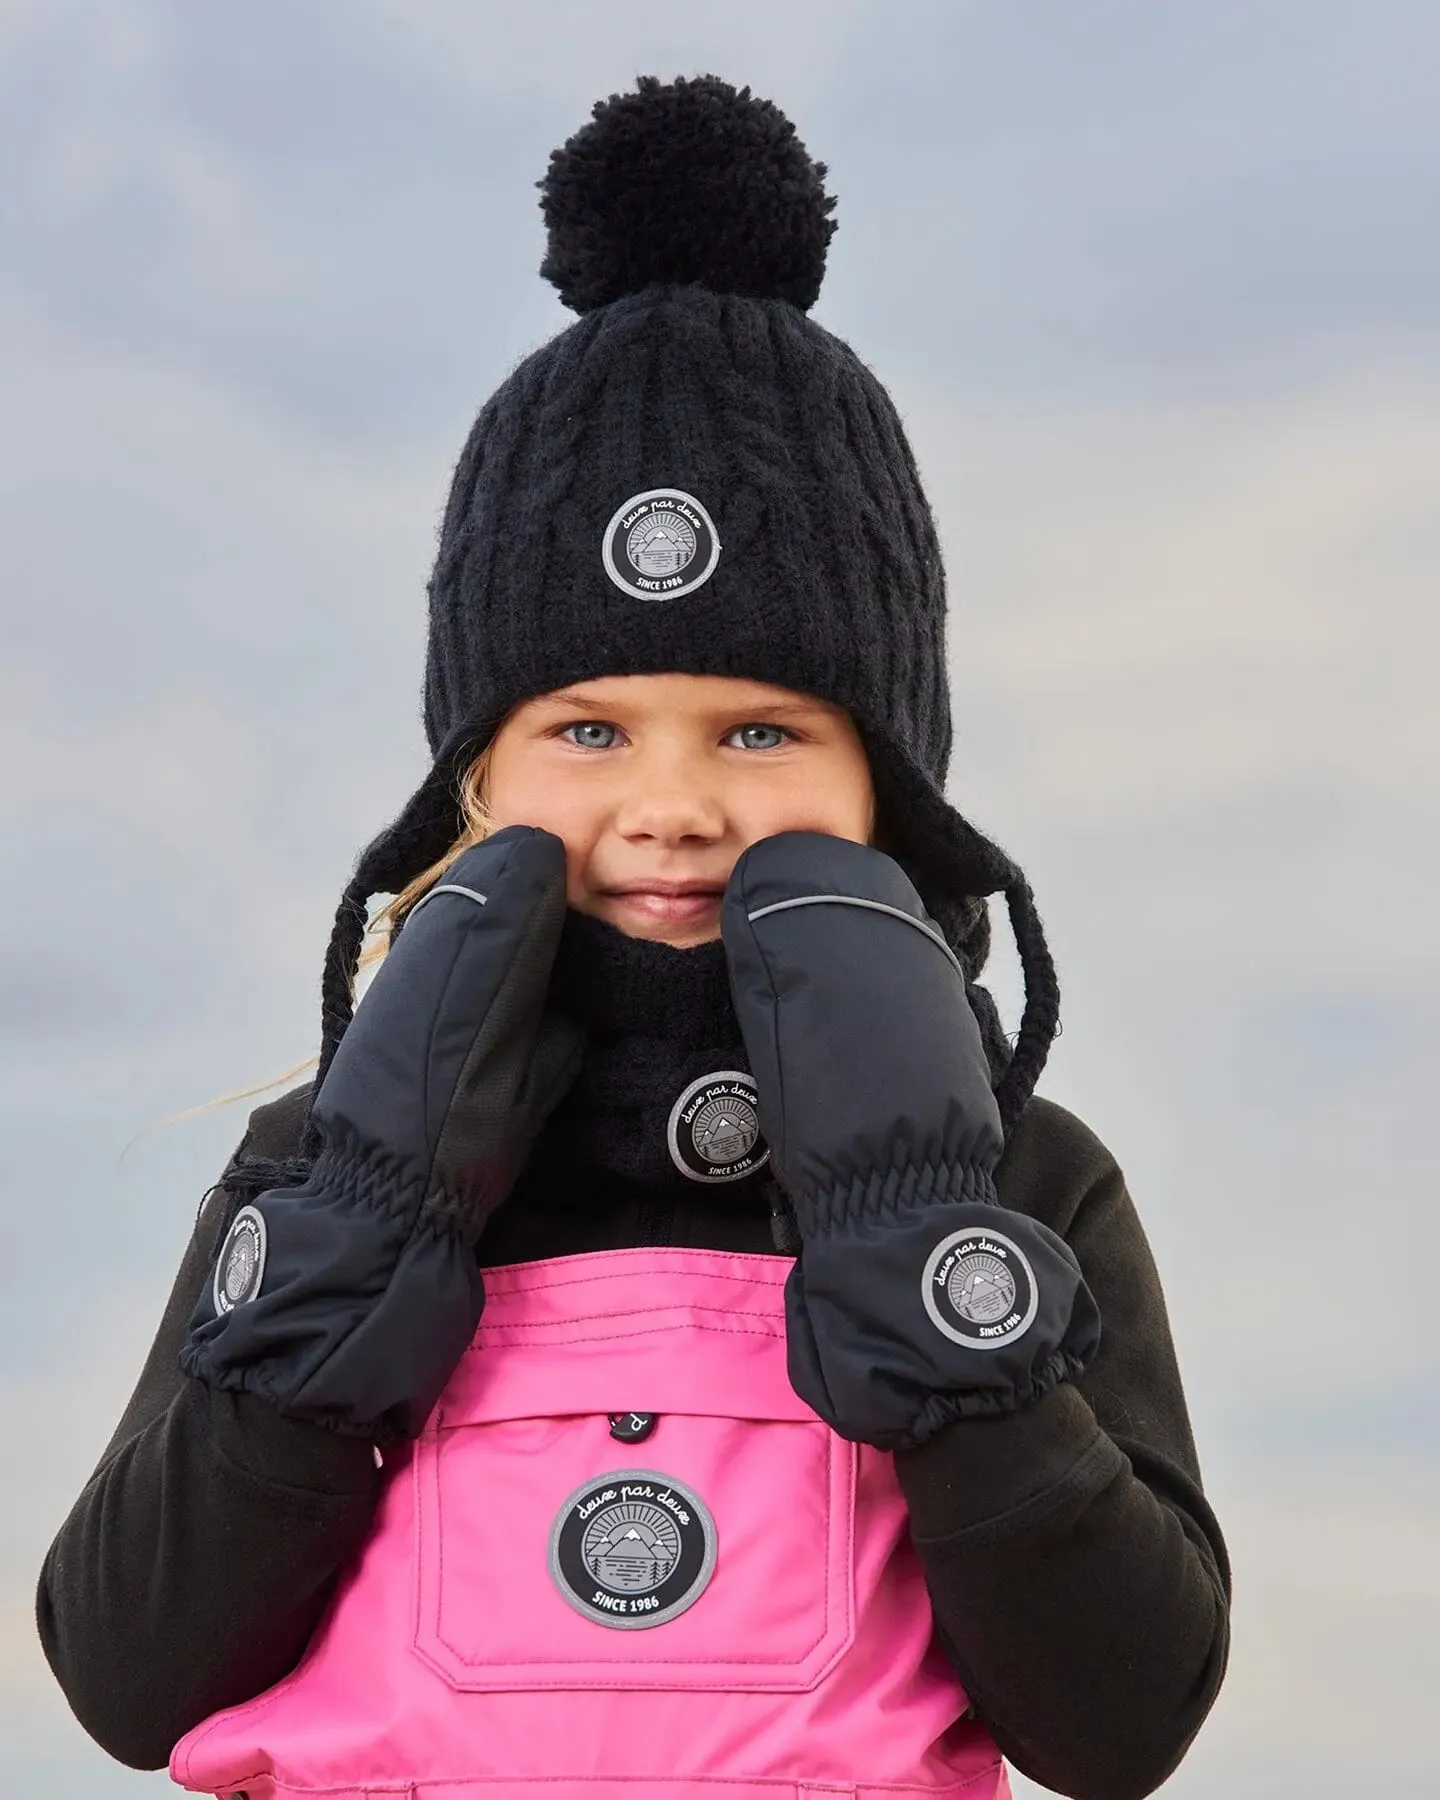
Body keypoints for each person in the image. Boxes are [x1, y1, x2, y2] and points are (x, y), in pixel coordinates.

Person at [36, 75, 1230, 1800]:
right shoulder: (319, 1161)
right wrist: (366, 1231)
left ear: (885, 779)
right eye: (588, 732)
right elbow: (130, 1674)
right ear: (477, 773)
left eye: (759, 731)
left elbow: (1125, 1722)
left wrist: (916, 1251)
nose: (671, 804)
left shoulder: (1023, 1174)